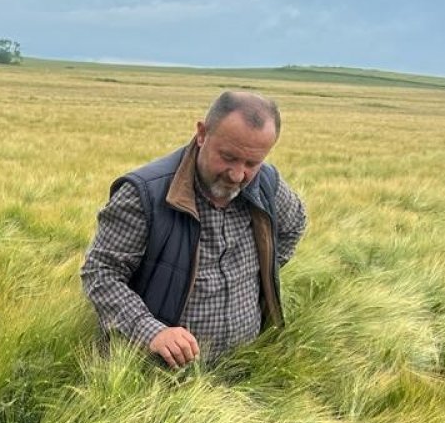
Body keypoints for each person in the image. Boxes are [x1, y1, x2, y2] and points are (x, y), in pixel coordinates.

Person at [80, 91, 307, 368]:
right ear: (202, 134)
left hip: (247, 366)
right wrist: (150, 331)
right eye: (228, 156)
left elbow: (294, 225)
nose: (237, 175)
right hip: (162, 376)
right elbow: (100, 272)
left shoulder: (267, 184)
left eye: (251, 163)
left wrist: (255, 272)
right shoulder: (145, 194)